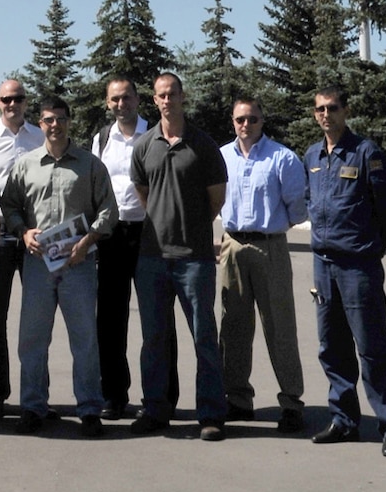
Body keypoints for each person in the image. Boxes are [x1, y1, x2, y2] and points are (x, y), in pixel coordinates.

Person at [1, 95, 117, 435]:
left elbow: (109, 211)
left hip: (78, 264)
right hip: (38, 265)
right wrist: (23, 232)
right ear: (41, 123)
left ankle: (90, 409)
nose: (55, 125)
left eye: (61, 119)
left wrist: (87, 241)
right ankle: (33, 407)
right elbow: (9, 206)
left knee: (84, 339)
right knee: (32, 339)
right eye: (49, 120)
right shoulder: (26, 165)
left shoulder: (89, 164)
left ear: (69, 122)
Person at [302, 84, 386, 457]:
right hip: (323, 264)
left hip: (357, 265)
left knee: (372, 347)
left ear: (345, 111)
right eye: (319, 109)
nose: (325, 115)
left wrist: (371, 249)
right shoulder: (313, 156)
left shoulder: (365, 153)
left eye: (332, 108)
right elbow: (313, 202)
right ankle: (344, 420)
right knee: (332, 347)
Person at [129, 71, 229, 440]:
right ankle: (156, 409)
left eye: (172, 93)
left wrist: (191, 225)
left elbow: (215, 199)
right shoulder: (144, 145)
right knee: (154, 338)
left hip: (195, 258)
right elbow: (143, 192)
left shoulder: (203, 145)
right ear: (154, 101)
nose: (167, 100)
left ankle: (211, 414)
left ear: (183, 97)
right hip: (152, 256)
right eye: (160, 95)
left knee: (203, 335)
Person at [217, 95, 308, 431]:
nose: (246, 125)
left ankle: (292, 403)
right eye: (240, 119)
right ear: (233, 121)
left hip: (270, 247)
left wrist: (272, 226)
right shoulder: (222, 156)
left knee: (279, 326)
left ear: (262, 120)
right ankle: (238, 400)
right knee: (234, 327)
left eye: (252, 119)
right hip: (232, 247)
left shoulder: (282, 158)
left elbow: (297, 207)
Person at [0, 79, 45, 421]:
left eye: (18, 98)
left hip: (36, 237)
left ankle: (36, 397)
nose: (12, 104)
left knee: (38, 319)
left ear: (25, 101)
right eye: (6, 99)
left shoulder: (39, 137)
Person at [91, 77, 152, 419]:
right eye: (114, 99)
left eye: (126, 97)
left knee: (155, 319)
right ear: (107, 102)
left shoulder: (153, 135)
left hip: (148, 232)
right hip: (112, 235)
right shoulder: (102, 138)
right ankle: (113, 395)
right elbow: (95, 185)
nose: (120, 104)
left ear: (137, 99)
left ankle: (159, 397)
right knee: (111, 320)